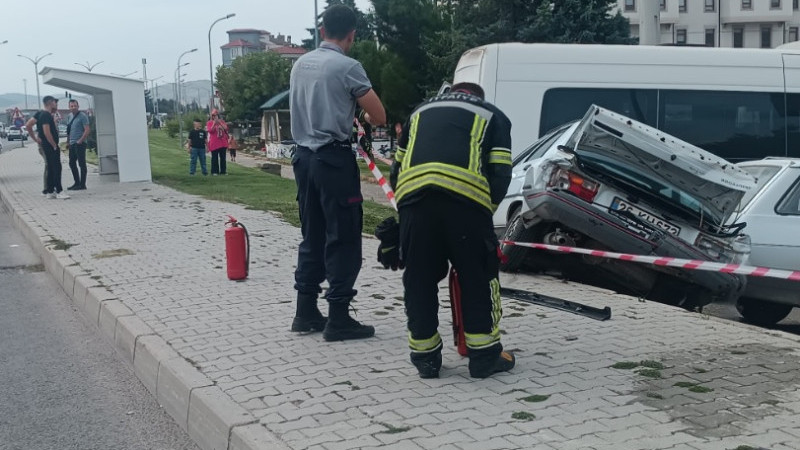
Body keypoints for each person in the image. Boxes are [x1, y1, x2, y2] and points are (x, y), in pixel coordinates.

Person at [380, 82, 514, 378]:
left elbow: (395, 168)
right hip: (466, 207)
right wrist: (485, 211)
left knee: (419, 279)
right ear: (477, 97)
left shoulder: (419, 113)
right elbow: (501, 172)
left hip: (416, 204)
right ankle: (484, 357)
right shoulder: (493, 115)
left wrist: (407, 210)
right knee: (478, 277)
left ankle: (425, 359)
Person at [289, 4, 386, 341]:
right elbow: (379, 114)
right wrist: (365, 118)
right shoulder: (348, 67)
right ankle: (339, 316)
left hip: (303, 159)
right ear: (352, 34)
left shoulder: (300, 64)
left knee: (312, 233)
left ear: (321, 31)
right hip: (333, 160)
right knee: (343, 235)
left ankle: (305, 311)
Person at [26, 96, 69, 199]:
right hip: (50, 146)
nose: (56, 105)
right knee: (56, 167)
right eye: (55, 103)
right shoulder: (45, 115)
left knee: (50, 167)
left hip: (45, 145)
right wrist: (54, 145)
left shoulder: (41, 114)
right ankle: (59, 190)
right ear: (51, 103)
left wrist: (36, 139)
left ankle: (49, 191)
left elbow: (28, 125)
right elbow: (46, 132)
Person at [66, 99, 91, 190]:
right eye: (71, 106)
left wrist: (80, 140)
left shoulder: (82, 116)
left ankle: (82, 184)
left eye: (75, 106)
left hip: (80, 143)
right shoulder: (69, 116)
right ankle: (76, 182)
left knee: (81, 163)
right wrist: (68, 141)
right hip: (72, 143)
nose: (73, 107)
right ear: (69, 107)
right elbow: (69, 130)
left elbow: (87, 130)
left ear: (78, 106)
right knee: (72, 163)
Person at [207, 109, 229, 175]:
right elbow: (210, 130)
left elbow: (226, 128)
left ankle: (223, 171)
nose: (215, 117)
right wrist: (214, 124)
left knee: (223, 158)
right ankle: (214, 171)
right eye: (213, 115)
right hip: (214, 143)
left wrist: (220, 124)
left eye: (216, 115)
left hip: (222, 142)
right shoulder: (209, 123)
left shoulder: (222, 121)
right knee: (214, 158)